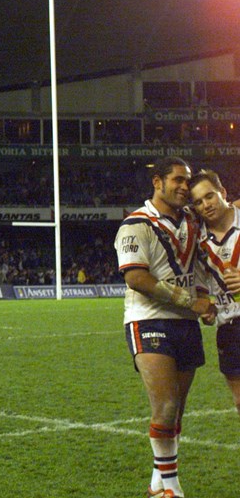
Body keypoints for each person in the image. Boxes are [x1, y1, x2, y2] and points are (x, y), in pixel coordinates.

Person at [114, 157, 217, 498]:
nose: (185, 186)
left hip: (185, 324)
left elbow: (200, 265)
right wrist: (191, 302)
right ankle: (170, 488)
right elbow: (137, 278)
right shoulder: (135, 224)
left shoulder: (192, 220)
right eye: (177, 180)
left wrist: (202, 300)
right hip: (148, 319)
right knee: (166, 405)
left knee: (177, 413)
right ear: (157, 182)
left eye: (188, 180)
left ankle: (159, 479)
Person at [189, 169, 240, 416]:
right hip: (228, 326)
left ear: (223, 192)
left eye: (209, 196)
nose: (205, 205)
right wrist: (205, 307)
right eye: (198, 202)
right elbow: (201, 282)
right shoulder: (197, 241)